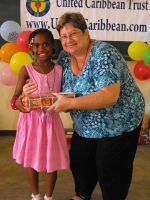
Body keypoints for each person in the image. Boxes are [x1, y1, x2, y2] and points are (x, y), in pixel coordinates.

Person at [17, 12, 145, 200]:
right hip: (86, 124)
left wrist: (69, 103)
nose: (69, 40)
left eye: (74, 33)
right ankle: (82, 195)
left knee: (108, 166)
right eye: (64, 36)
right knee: (79, 159)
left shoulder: (104, 53)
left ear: (86, 32)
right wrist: (25, 97)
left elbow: (109, 96)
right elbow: (52, 90)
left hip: (119, 121)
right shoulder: (63, 59)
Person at [10, 28, 69, 200]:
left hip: (51, 122)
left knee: (52, 163)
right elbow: (15, 100)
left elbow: (64, 96)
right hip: (31, 123)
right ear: (31, 48)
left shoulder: (59, 70)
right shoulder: (26, 69)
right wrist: (21, 100)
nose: (41, 49)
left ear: (53, 47)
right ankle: (35, 196)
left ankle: (48, 197)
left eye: (45, 44)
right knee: (32, 159)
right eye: (36, 45)